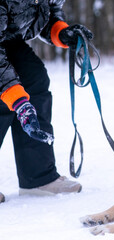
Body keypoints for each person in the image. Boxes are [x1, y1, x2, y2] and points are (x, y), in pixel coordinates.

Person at [0, 0, 93, 203]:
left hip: (7, 39)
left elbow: (47, 13)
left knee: (33, 78)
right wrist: (17, 101)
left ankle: (38, 177)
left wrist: (62, 32)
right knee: (5, 97)